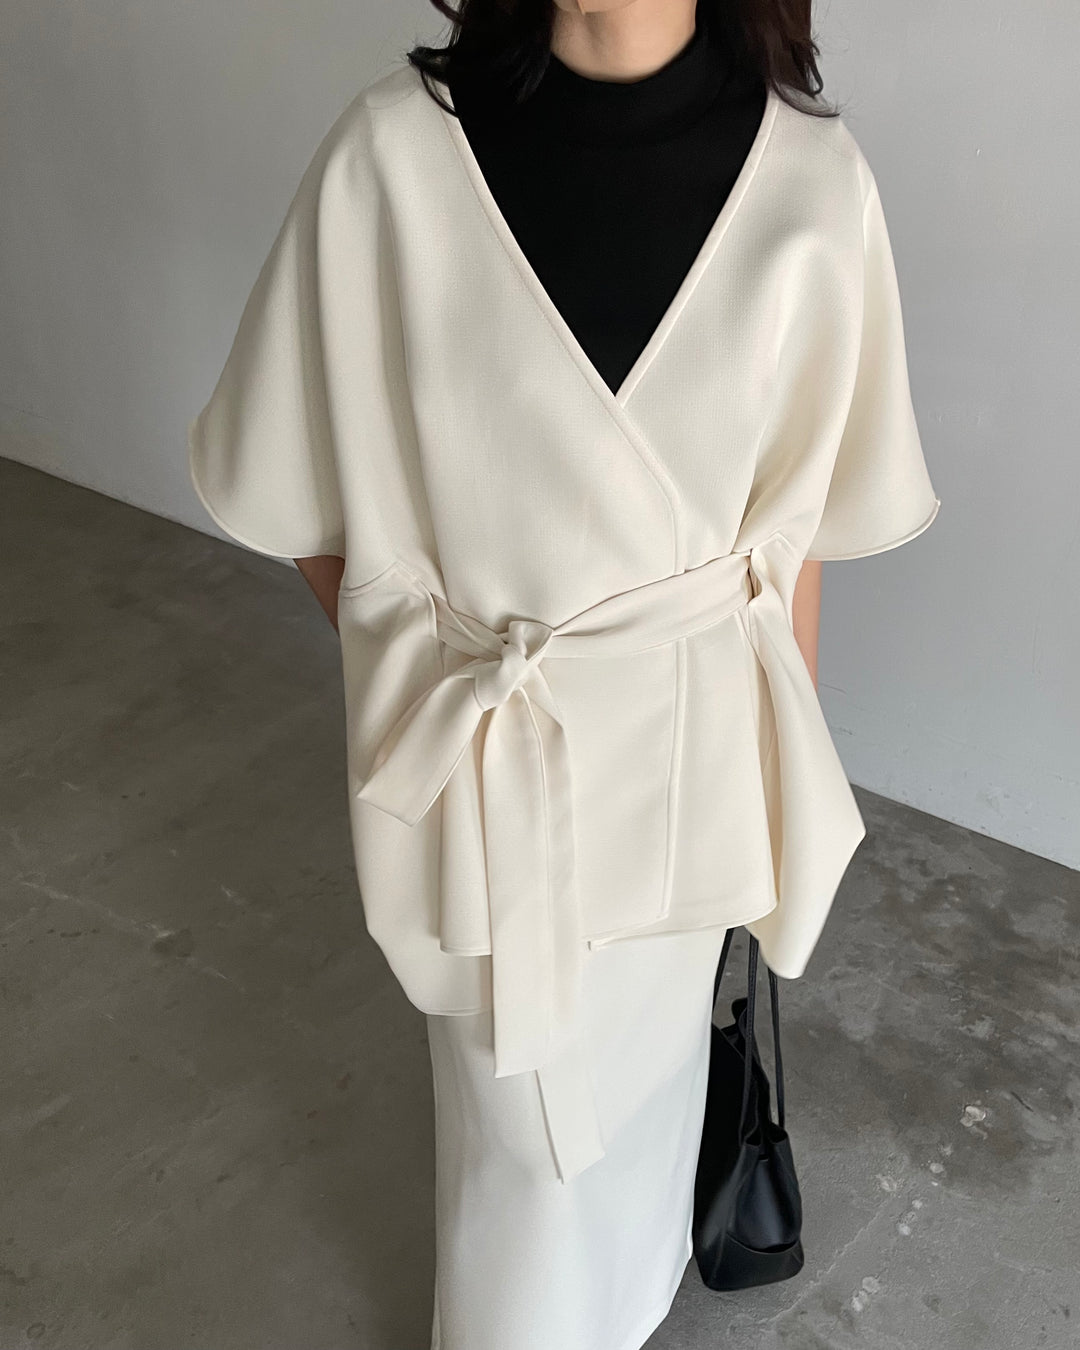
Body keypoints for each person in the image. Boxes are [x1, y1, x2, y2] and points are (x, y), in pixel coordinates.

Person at [187, 0, 941, 1346]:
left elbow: (800, 539)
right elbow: (297, 486)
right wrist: (429, 677)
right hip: (498, 777)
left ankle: (632, 1288)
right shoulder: (394, 161)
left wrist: (779, 785)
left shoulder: (812, 188)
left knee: (645, 1097)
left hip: (694, 771)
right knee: (519, 1154)